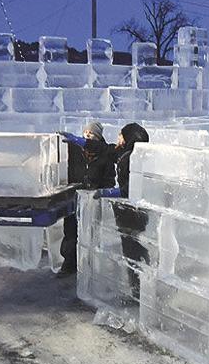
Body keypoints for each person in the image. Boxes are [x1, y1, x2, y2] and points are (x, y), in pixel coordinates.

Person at [96, 122, 150, 300]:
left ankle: (139, 291)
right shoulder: (125, 153)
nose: (118, 138)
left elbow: (130, 188)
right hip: (131, 212)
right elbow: (105, 149)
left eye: (121, 135)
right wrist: (81, 141)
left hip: (133, 213)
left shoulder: (131, 158)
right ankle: (138, 288)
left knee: (133, 250)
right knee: (132, 249)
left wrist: (109, 192)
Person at [57, 122, 114, 277]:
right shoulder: (75, 150)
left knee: (90, 233)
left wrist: (102, 193)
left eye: (92, 133)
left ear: (98, 136)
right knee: (70, 231)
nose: (87, 135)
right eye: (86, 132)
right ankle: (68, 264)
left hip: (92, 200)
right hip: (74, 197)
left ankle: (89, 267)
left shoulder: (105, 153)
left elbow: (109, 178)